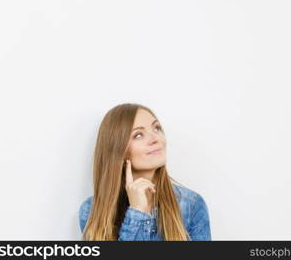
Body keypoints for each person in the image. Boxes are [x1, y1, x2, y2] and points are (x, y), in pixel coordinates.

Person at [78, 103, 211, 241]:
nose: (155, 139)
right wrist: (137, 214)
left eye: (157, 128)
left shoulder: (191, 205)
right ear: (119, 151)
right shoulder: (92, 211)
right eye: (138, 135)